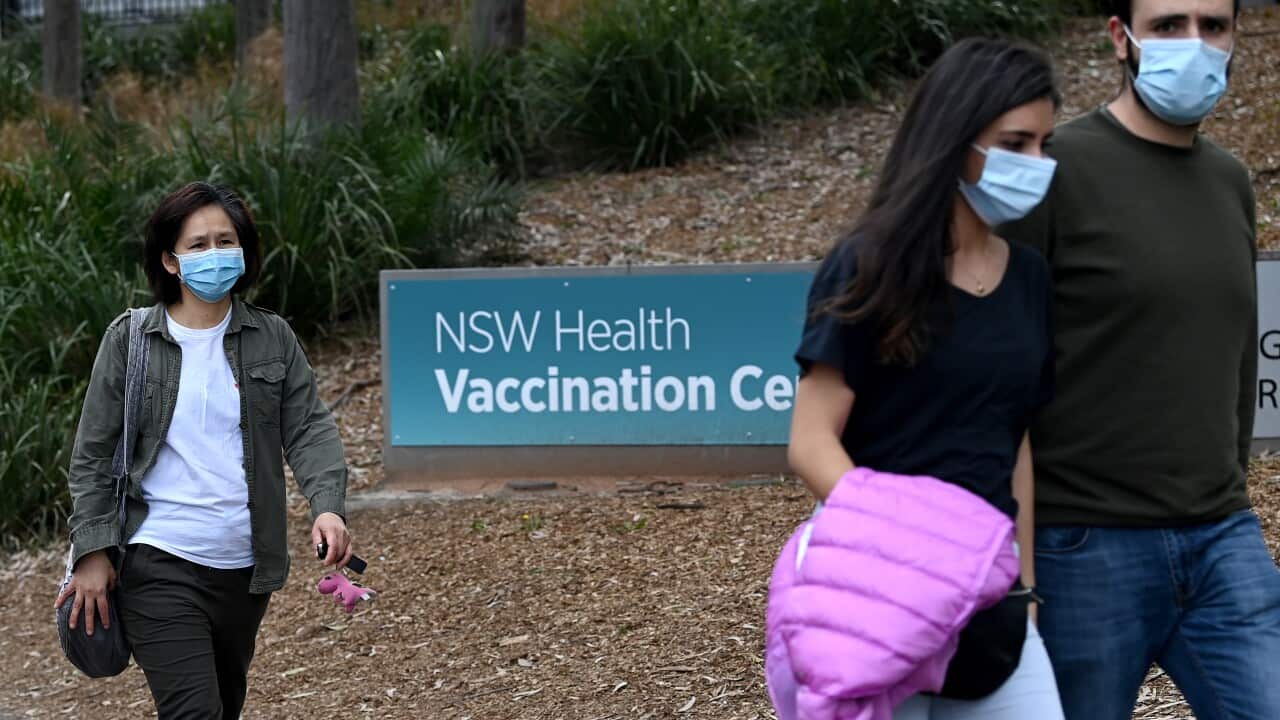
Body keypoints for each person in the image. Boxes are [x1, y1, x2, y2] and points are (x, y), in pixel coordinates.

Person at [997, 0, 1280, 718]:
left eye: (1213, 26)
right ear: (1121, 39)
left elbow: (1237, 353)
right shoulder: (1052, 168)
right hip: (1083, 547)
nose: (1195, 43)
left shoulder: (1230, 181)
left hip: (1222, 535)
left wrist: (1231, 484)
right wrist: (1020, 572)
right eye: (1168, 25)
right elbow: (996, 372)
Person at [785, 38, 1064, 719]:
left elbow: (1014, 442)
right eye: (1015, 143)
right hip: (878, 606)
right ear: (954, 138)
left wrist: (1024, 589)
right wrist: (906, 545)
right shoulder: (867, 266)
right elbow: (811, 440)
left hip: (993, 611)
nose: (1036, 164)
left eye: (1043, 145)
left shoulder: (1029, 278)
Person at [55, 181, 354, 719]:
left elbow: (309, 427)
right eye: (198, 245)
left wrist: (327, 505)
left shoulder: (272, 338)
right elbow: (93, 454)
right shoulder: (131, 340)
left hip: (244, 569)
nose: (214, 254)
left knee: (222, 705)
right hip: (157, 559)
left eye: (225, 240)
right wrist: (93, 550)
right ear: (170, 260)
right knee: (195, 712)